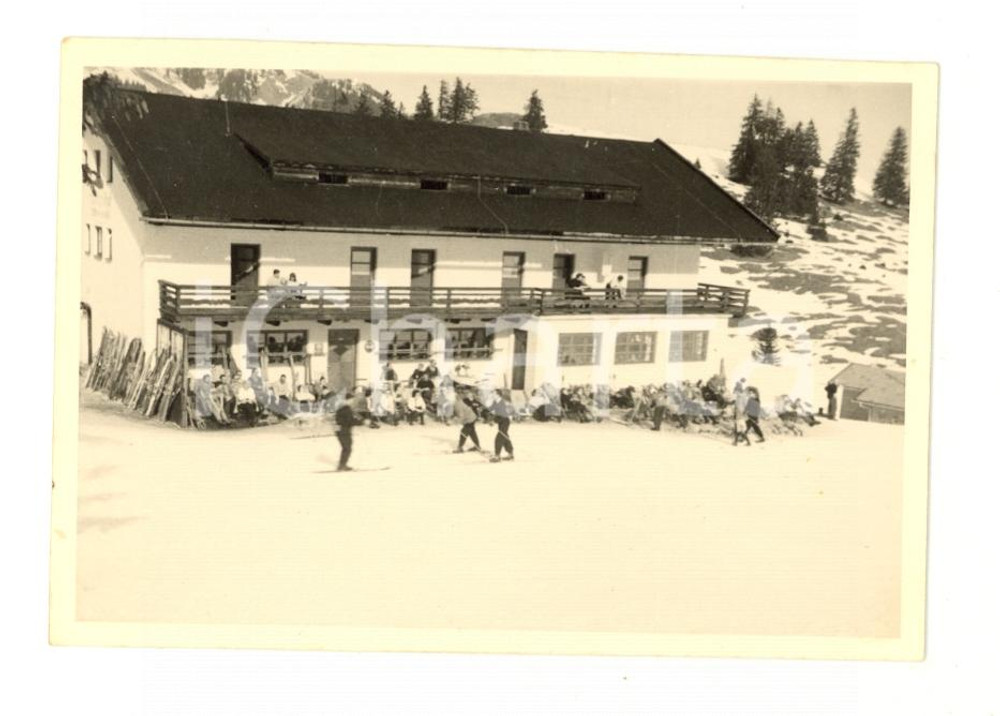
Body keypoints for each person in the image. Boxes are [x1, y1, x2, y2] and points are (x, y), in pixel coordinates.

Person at [334, 389, 357, 471]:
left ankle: (342, 464)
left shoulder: (342, 408)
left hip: (340, 430)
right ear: (349, 400)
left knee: (346, 448)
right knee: (347, 448)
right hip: (344, 431)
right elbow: (350, 421)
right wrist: (362, 422)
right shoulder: (346, 409)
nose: (353, 402)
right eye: (352, 400)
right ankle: (342, 465)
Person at [489, 391, 516, 462]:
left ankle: (497, 456)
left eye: (493, 394)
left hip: (505, 421)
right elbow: (490, 409)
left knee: (499, 438)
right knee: (505, 437)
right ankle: (510, 454)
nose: (492, 395)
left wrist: (494, 421)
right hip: (501, 422)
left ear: (498, 395)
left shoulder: (503, 403)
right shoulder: (495, 402)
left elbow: (503, 415)